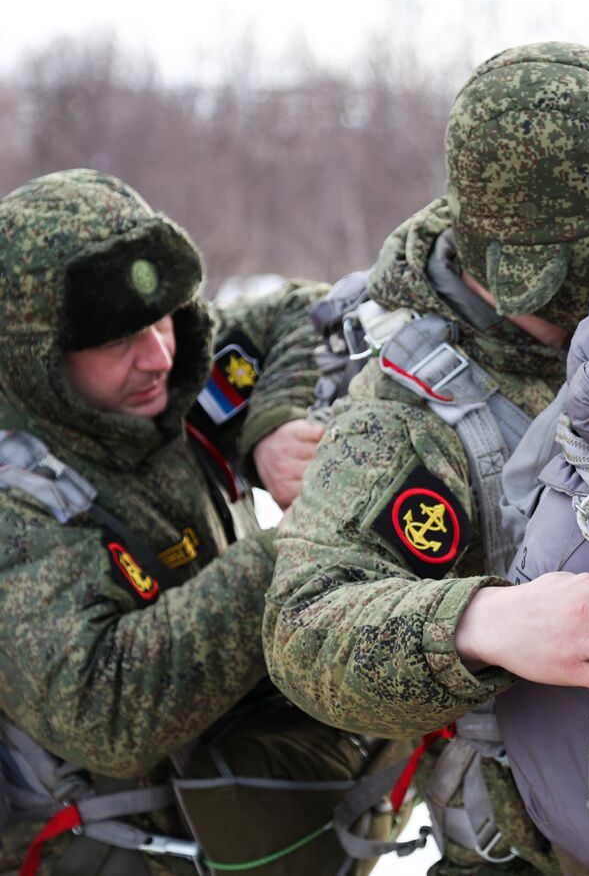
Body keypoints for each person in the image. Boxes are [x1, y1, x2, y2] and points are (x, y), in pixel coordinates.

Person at [263, 41, 589, 873]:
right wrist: (485, 624)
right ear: (552, 261)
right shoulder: (405, 410)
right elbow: (303, 628)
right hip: (533, 844)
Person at [0, 168, 374, 875]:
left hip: (246, 813)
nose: (159, 354)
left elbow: (314, 313)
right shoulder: (16, 505)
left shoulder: (170, 383)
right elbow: (104, 709)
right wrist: (292, 551)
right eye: (118, 340)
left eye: (162, 318)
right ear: (37, 357)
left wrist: (271, 424)